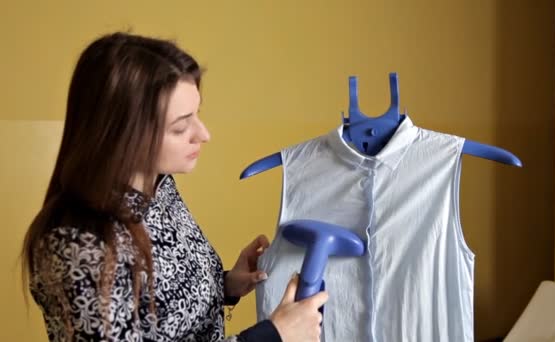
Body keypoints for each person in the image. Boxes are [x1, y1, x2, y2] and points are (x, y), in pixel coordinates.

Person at [21, 32, 328, 342]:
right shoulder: (78, 245)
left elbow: (156, 311)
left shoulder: (158, 188)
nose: (203, 133)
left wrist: (226, 284)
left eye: (197, 114)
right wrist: (272, 336)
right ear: (122, 134)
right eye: (180, 126)